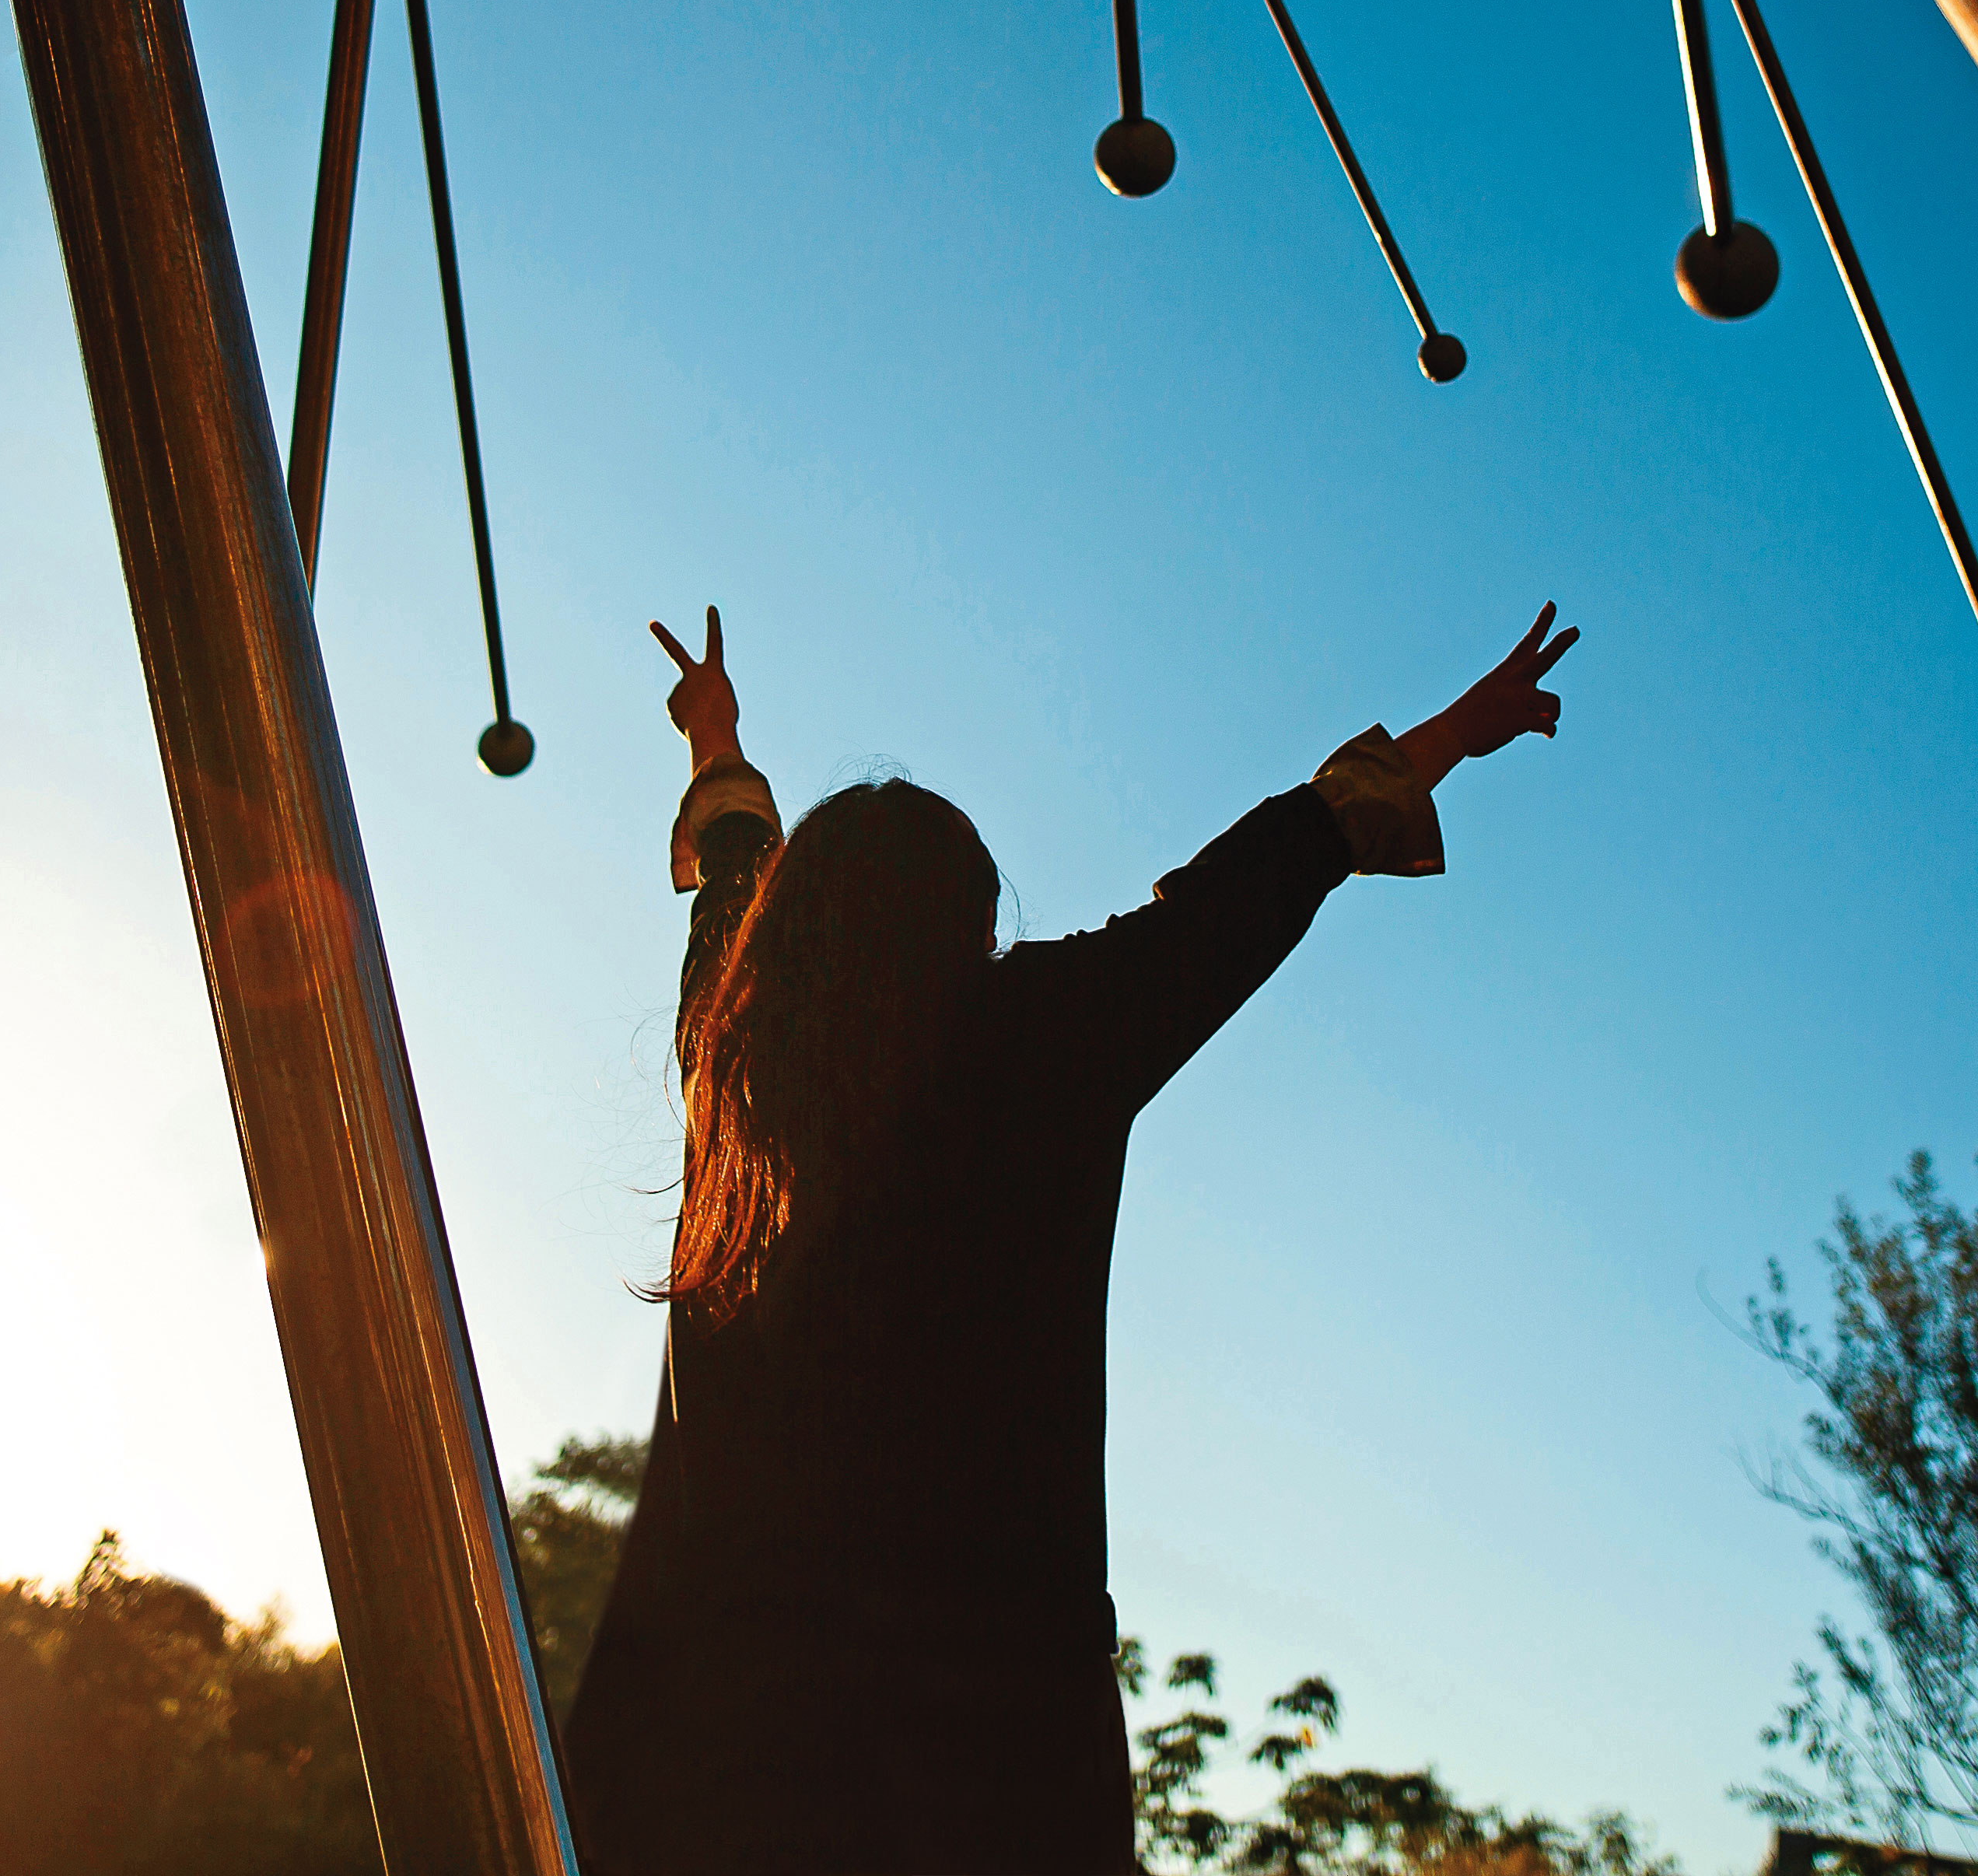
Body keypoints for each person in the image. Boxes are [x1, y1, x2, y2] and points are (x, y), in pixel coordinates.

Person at [561, 602, 1582, 1875]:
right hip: (998, 1754)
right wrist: (1450, 735)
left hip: (728, 1751)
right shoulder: (1037, 1039)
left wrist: (714, 732)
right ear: (970, 926)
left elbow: (731, 858)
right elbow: (1258, 879)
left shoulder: (736, 1067)